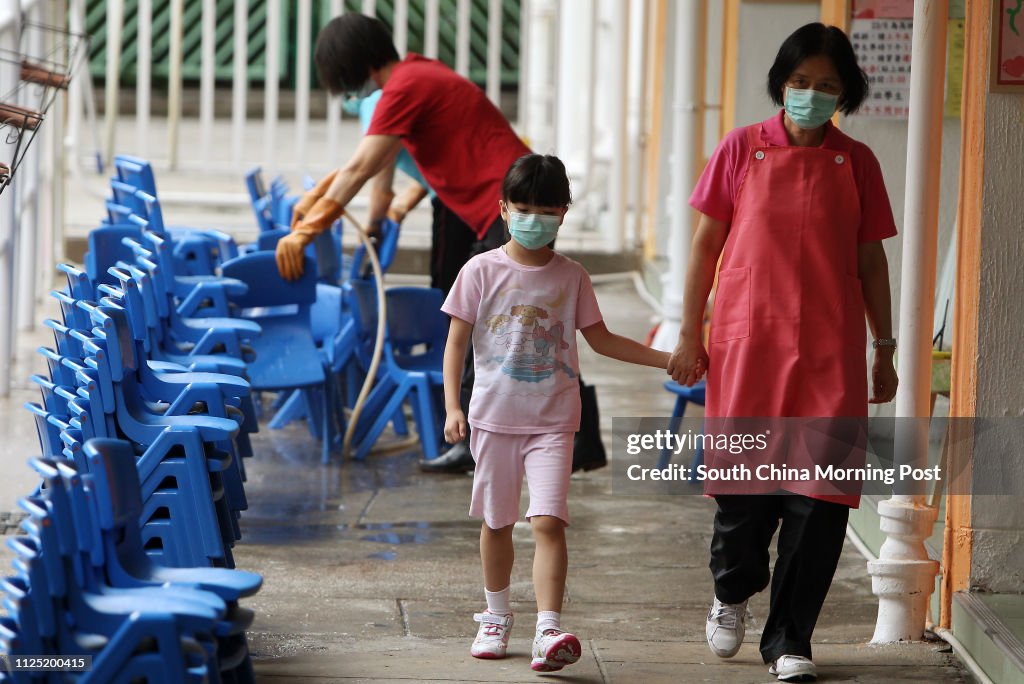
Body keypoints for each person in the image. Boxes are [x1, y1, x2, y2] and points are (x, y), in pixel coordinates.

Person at [667, 24, 898, 682]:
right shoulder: (742, 150)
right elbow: (704, 250)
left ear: (845, 94)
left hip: (831, 352)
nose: (810, 96)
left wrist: (884, 347)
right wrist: (690, 333)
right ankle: (732, 590)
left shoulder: (856, 164)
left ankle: (790, 639)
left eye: (827, 86)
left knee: (820, 502)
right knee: (745, 498)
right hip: (749, 348)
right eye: (800, 83)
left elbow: (871, 263)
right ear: (781, 85)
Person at [442, 154, 670, 672]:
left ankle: (548, 628)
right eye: (523, 208)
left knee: (548, 522)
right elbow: (456, 342)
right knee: (497, 522)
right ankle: (496, 615)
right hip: (493, 419)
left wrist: (665, 359)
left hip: (553, 421)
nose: (534, 218)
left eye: (546, 210)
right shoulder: (480, 271)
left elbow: (603, 339)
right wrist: (453, 405)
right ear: (503, 209)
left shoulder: (573, 277)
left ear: (564, 213)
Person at [280, 13, 531, 474]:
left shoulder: (406, 85)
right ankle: (489, 441)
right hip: (503, 205)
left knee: (486, 329)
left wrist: (306, 231)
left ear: (350, 63)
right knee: (487, 325)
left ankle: (480, 446)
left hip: (511, 206)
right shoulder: (414, 77)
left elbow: (360, 171)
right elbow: (368, 164)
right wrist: (320, 206)